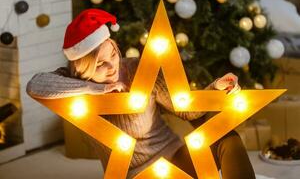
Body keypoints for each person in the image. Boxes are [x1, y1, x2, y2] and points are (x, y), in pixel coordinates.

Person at [26, 9, 255, 179]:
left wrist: (216, 89)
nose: (112, 67)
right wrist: (98, 89)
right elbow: (35, 85)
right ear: (81, 69)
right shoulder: (73, 83)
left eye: (113, 54)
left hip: (174, 157)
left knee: (227, 138)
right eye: (99, 64)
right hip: (133, 174)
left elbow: (189, 111)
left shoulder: (138, 70)